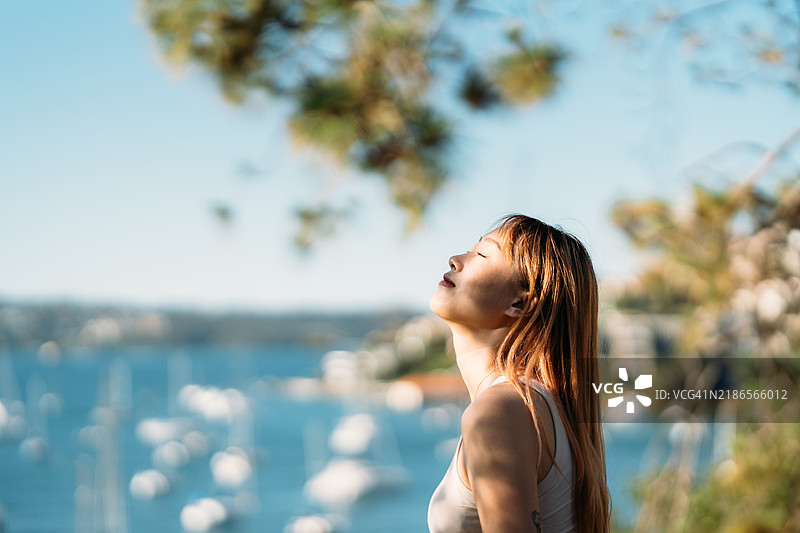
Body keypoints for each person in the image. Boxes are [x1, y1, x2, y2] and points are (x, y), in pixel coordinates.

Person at [427, 214, 611, 533]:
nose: (456, 260)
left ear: (520, 303)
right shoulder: (538, 406)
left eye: (482, 255)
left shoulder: (501, 412)